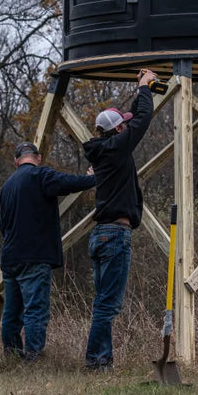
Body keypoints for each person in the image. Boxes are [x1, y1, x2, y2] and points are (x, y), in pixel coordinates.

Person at [80, 68, 160, 370]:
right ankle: (96, 361)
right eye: (122, 128)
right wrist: (144, 88)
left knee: (104, 302)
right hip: (115, 235)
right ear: (116, 131)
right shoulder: (115, 148)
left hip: (101, 234)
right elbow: (141, 122)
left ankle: (103, 360)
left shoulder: (103, 152)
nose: (126, 131)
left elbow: (132, 124)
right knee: (107, 304)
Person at [0, 140, 96, 362]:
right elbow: (68, 182)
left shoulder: (6, 187)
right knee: (35, 310)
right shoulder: (39, 175)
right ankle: (33, 360)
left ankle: (12, 359)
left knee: (12, 314)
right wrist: (92, 178)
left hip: (10, 258)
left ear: (16, 161)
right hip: (34, 256)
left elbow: (3, 227)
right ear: (38, 158)